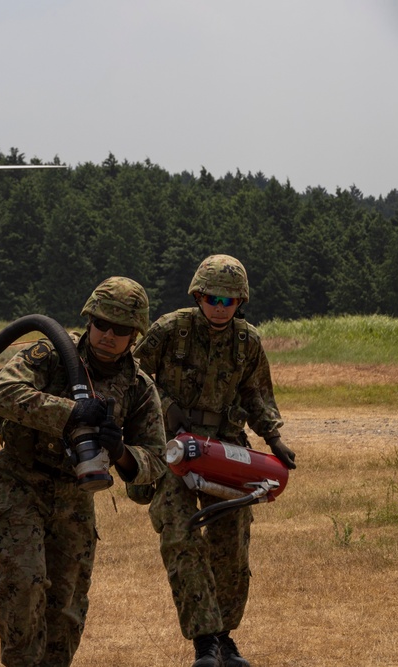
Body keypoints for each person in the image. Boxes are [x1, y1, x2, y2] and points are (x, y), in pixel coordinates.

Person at [0, 276, 167, 667]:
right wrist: (71, 413)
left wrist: (120, 452)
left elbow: (155, 459)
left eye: (121, 329)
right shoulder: (52, 354)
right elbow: (3, 392)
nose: (108, 335)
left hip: (76, 495)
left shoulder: (138, 387)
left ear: (135, 335)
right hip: (20, 482)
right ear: (89, 320)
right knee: (23, 583)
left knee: (66, 607)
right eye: (102, 324)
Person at [133, 254, 297, 667]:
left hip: (226, 449)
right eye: (212, 298)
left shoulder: (248, 342)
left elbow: (256, 394)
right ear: (197, 294)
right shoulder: (170, 330)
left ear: (240, 301)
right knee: (180, 536)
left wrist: (274, 437)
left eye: (229, 300)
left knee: (232, 546)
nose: (219, 307)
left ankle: (224, 637)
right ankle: (205, 643)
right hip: (175, 451)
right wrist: (149, 430)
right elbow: (132, 380)